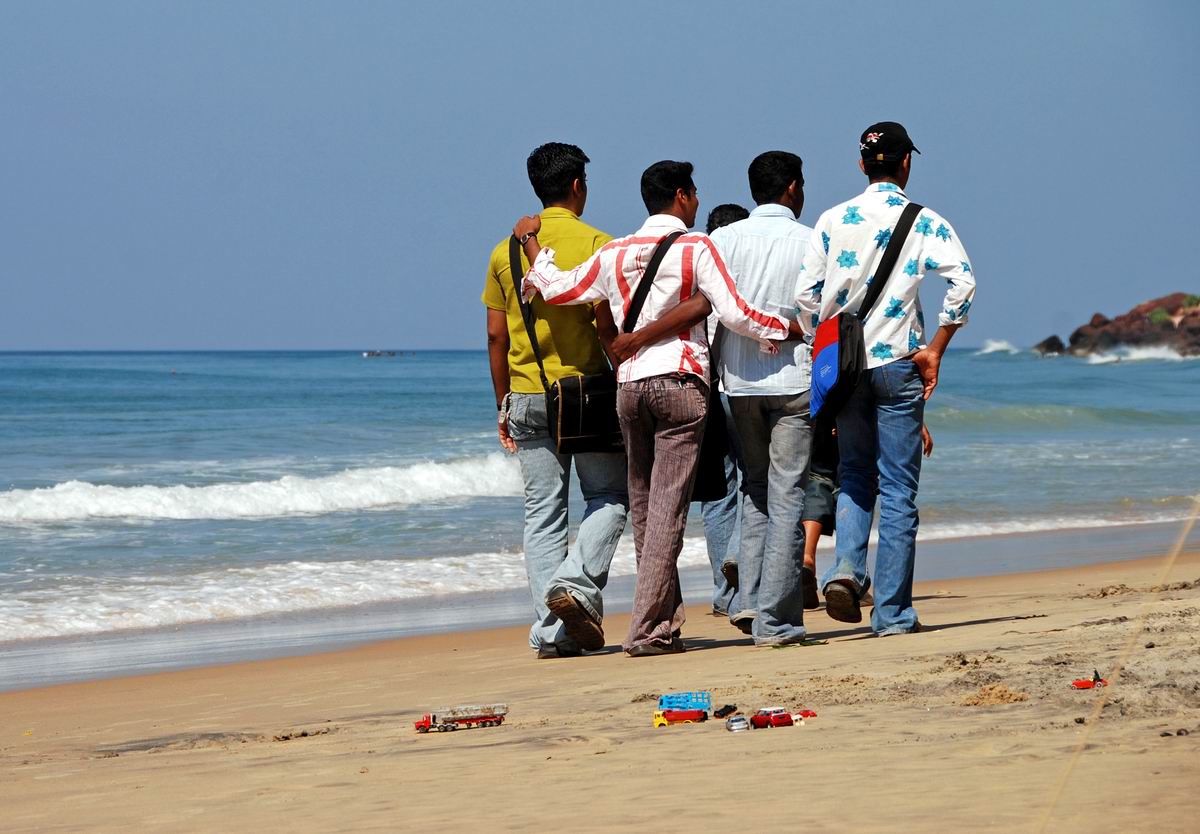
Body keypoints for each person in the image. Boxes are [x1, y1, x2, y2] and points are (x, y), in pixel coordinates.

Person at [514, 160, 801, 656]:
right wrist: (784, 328)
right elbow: (733, 312)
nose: (696, 200)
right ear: (682, 196)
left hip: (629, 388)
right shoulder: (696, 246)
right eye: (693, 193)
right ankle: (646, 630)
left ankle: (664, 621)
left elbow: (559, 289)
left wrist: (532, 245)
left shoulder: (616, 251)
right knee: (667, 510)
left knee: (646, 508)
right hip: (680, 381)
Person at [795, 121, 975, 635]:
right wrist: (936, 348)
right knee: (898, 489)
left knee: (853, 474)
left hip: (845, 368)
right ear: (906, 163)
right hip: (898, 363)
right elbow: (964, 281)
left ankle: (847, 571)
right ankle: (892, 613)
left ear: (860, 165)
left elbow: (806, 297)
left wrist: (822, 347)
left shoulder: (833, 218)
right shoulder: (925, 221)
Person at [482, 142, 629, 659]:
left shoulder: (505, 250)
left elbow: (497, 337)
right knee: (610, 497)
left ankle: (552, 632)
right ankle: (575, 586)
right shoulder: (600, 244)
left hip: (525, 394)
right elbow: (608, 328)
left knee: (542, 512)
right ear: (576, 186)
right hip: (586, 392)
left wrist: (503, 404)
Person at [707, 151, 815, 646]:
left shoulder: (723, 239)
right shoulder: (811, 239)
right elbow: (818, 315)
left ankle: (748, 601)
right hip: (793, 378)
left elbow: (710, 310)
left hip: (738, 381)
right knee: (788, 493)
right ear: (792, 187)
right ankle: (778, 620)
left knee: (754, 488)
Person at [700, 203, 750, 617]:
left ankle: (724, 591)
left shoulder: (695, 258)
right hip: (743, 383)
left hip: (700, 385)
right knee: (756, 481)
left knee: (718, 492)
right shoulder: (750, 263)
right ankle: (739, 559)